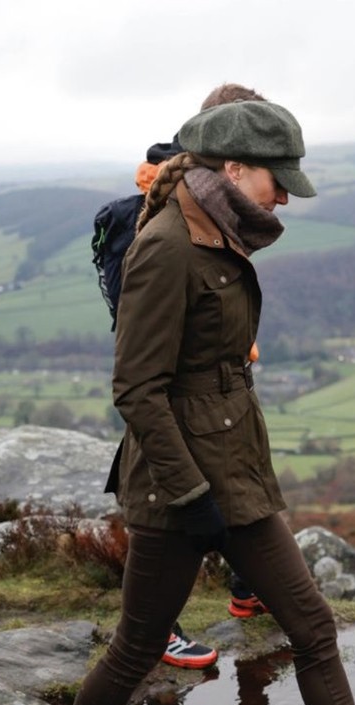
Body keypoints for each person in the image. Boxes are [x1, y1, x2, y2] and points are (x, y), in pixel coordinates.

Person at [72, 99, 355, 705]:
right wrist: (190, 495)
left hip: (233, 473)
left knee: (311, 624)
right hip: (178, 484)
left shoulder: (219, 231)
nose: (284, 196)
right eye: (276, 180)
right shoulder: (168, 246)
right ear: (232, 167)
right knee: (137, 648)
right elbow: (137, 389)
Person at [95, 85, 269, 669]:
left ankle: (245, 589)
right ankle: (156, 630)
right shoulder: (174, 196)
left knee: (224, 473)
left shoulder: (208, 186)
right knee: (160, 485)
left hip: (205, 371)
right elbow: (140, 372)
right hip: (169, 366)